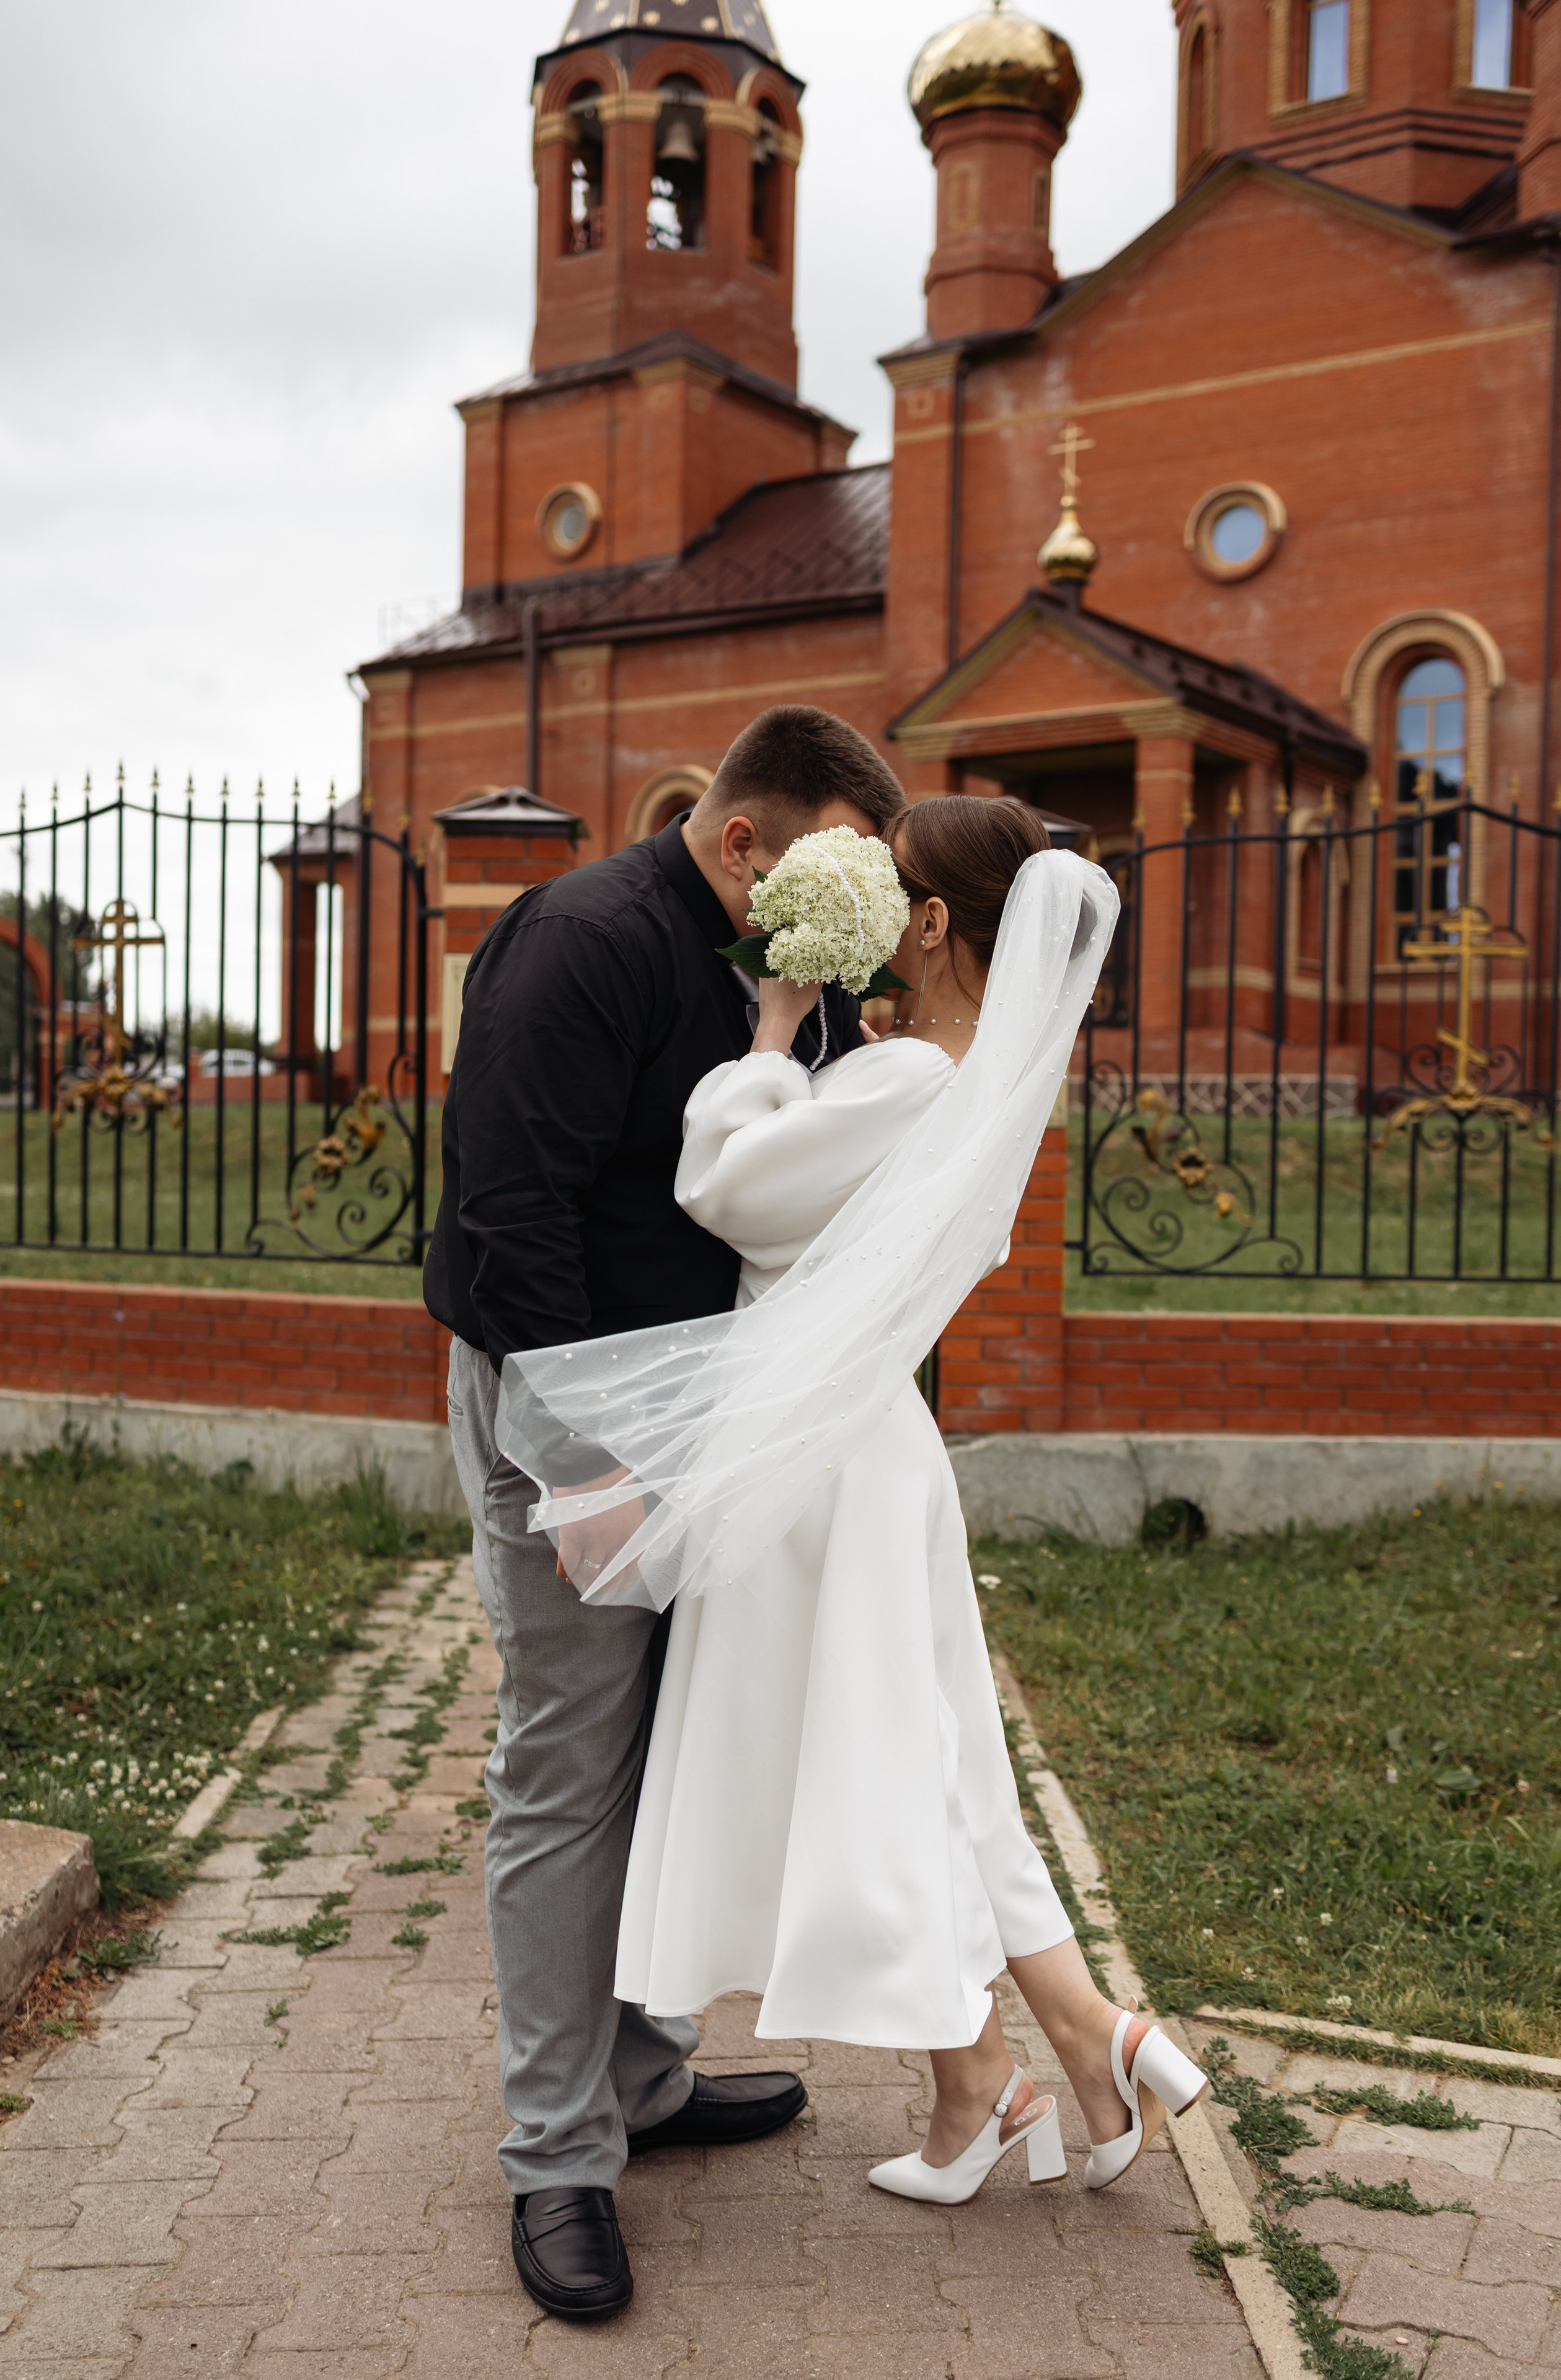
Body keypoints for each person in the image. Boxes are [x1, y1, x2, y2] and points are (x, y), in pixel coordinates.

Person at [497, 795, 1209, 2250]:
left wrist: (765, 1039)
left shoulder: (906, 1086)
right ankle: (1050, 2056)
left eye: (897, 890)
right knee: (934, 1757)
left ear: (937, 925)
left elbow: (724, 1188)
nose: (878, 907)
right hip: (880, 1448)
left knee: (872, 1773)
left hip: (814, 1464)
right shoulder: (969, 1082)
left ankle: (1026, 2062)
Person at [423, 705, 909, 2320]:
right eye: (839, 851)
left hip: (719, 1408)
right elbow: (510, 1214)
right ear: (747, 837)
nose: (858, 888)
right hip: (574, 1408)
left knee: (681, 1736)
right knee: (571, 1760)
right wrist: (589, 1468)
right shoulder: (582, 940)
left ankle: (643, 2075)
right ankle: (556, 2152)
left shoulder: (779, 966)